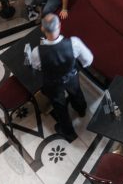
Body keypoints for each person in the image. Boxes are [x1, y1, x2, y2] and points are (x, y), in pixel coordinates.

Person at [30, 13, 93, 141]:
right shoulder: (74, 43)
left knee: (59, 105)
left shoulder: (37, 52)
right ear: (59, 25)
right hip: (71, 77)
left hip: (53, 82)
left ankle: (68, 131)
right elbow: (88, 60)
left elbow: (36, 66)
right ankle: (81, 110)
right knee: (76, 93)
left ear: (42, 29)